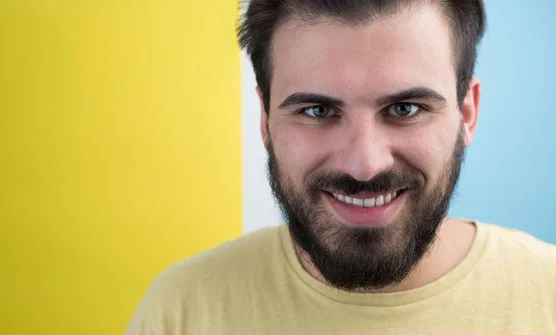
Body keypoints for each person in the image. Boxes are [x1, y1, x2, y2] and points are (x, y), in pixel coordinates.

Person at [125, 0, 556, 333]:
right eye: (316, 111)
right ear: (265, 120)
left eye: (404, 109)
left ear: (467, 114)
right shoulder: (182, 309)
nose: (364, 165)